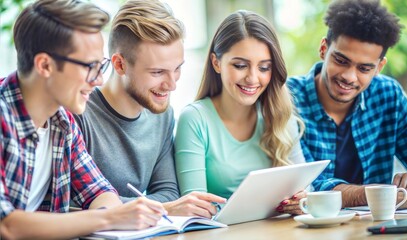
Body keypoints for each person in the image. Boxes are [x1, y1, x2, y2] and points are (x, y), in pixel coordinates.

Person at [0, 0, 167, 239]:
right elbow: (6, 225)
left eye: (101, 66)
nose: (99, 80)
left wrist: (115, 213)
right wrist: (110, 217)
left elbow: (99, 192)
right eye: (90, 66)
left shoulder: (63, 122)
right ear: (45, 65)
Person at [74, 0, 226, 219]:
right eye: (157, 72)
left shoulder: (163, 116)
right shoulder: (79, 115)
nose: (172, 84)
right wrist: (165, 209)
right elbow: (76, 201)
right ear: (119, 65)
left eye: (177, 69)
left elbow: (168, 193)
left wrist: (159, 206)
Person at [286, 0, 407, 209]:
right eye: (341, 61)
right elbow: (312, 189)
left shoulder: (388, 95)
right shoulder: (287, 98)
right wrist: (384, 196)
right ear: (324, 49)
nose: (349, 77)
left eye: (364, 68)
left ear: (379, 67)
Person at [174, 10, 306, 215]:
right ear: (216, 63)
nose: (253, 78)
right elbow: (194, 208)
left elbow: (306, 191)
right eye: (241, 65)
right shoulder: (195, 119)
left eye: (264, 68)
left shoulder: (280, 114)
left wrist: (302, 201)